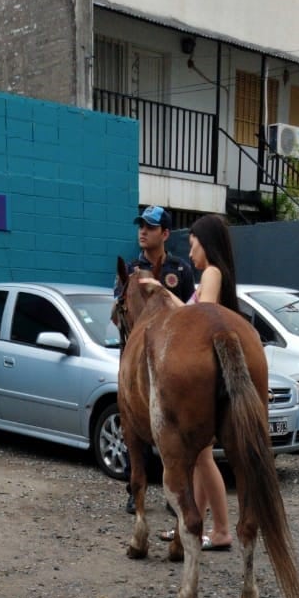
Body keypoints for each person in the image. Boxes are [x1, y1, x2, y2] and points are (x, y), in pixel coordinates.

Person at [158, 213, 239, 551]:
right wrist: (161, 294)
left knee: (203, 457)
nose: (189, 255)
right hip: (210, 375)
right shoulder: (211, 275)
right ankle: (195, 524)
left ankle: (220, 530)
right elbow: (190, 311)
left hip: (206, 379)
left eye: (193, 246)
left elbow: (203, 316)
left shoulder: (213, 273)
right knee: (202, 457)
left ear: (206, 244)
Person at [117, 206, 195, 512]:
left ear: (165, 234)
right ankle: (133, 487)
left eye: (149, 227)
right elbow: (119, 312)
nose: (142, 232)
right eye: (141, 226)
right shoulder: (131, 271)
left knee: (169, 425)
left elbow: (189, 313)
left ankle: (170, 490)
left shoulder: (181, 270)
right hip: (135, 359)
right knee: (133, 424)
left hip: (169, 359)